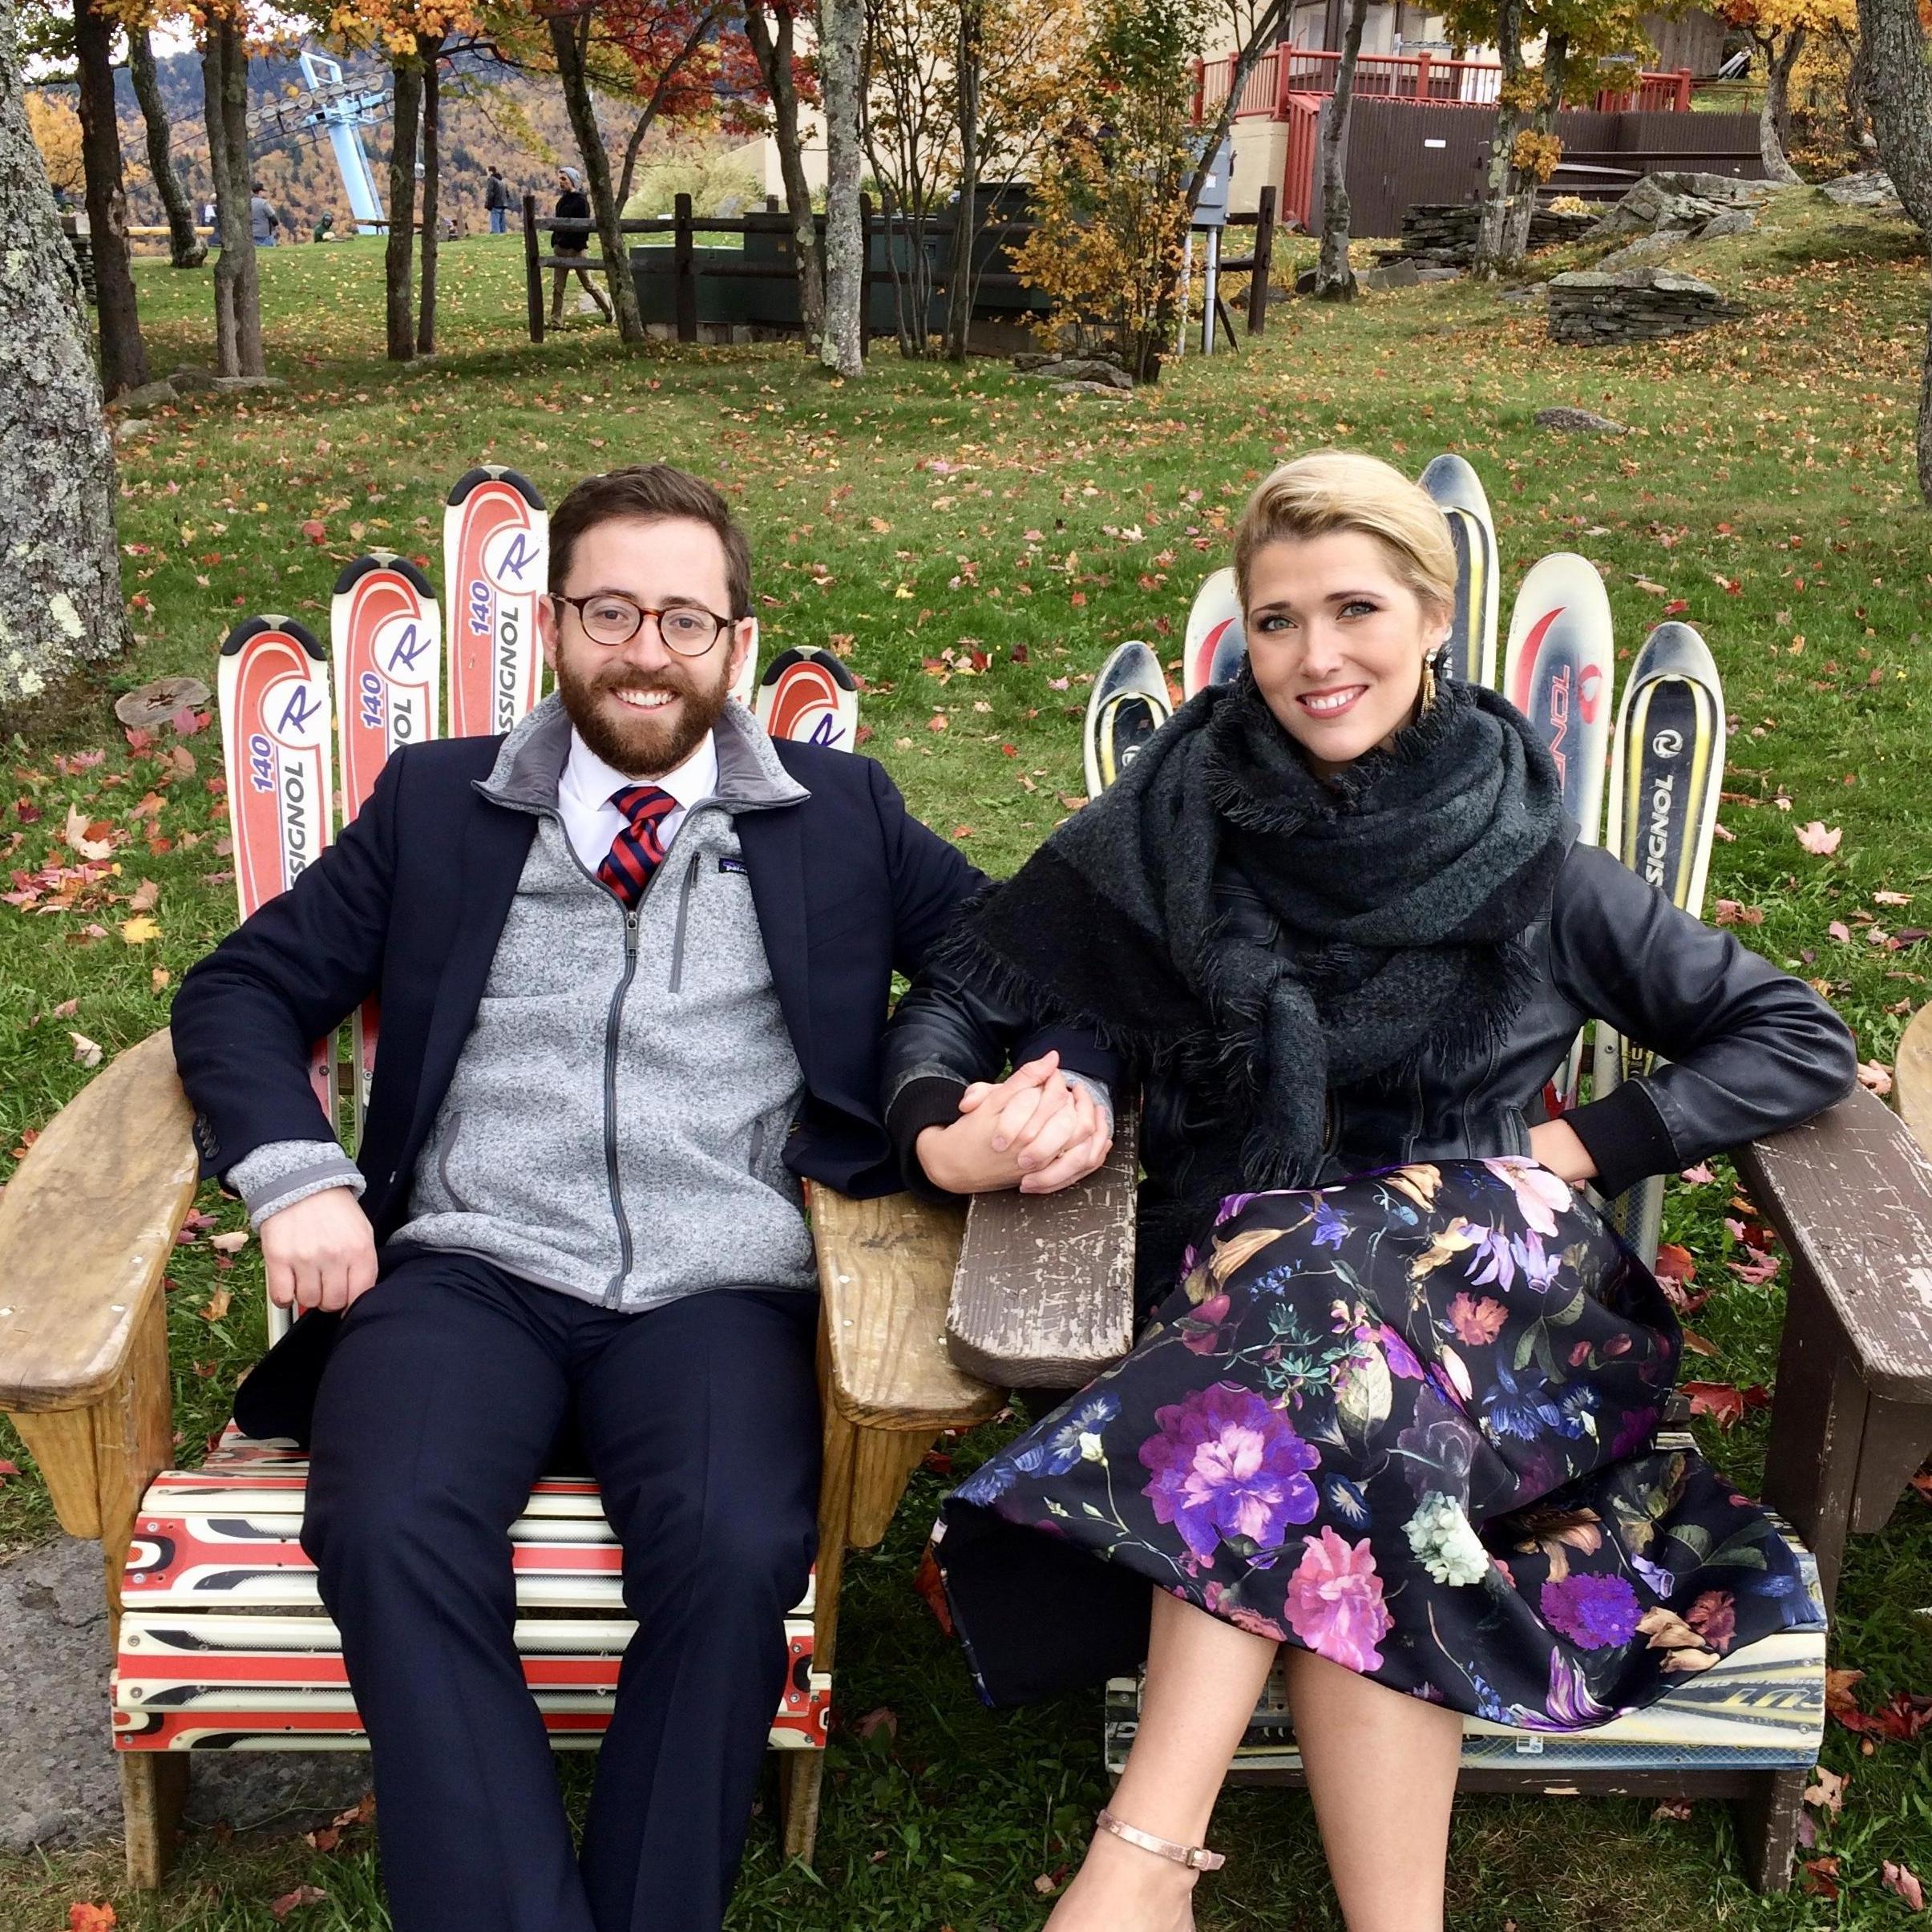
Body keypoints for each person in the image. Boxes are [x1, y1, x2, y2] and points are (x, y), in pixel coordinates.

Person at [882, 450, 1858, 1932]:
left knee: (1319, 1337)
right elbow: (959, 1001)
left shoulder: (1533, 866)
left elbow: (1797, 1036)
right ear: (1244, 641)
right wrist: (948, 1128)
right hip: (1262, 1302)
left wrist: (1568, 1152)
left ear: (1431, 617)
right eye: (1279, 621)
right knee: (1346, 1396)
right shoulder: (1165, 839)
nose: (1317, 656)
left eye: (1355, 610)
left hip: (1506, 1308)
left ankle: (1141, 1858)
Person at [170, 462, 1113, 1932]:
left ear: (738, 643)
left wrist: (1055, 1092)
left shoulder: (838, 815)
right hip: (468, 1270)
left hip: (717, 1284)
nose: (646, 651)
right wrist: (298, 1180)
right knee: (390, 1516)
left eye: (685, 619)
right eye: (611, 611)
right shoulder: (441, 804)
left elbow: (1029, 969)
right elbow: (242, 990)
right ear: (555, 625)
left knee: (737, 1546)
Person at [552, 164, 611, 324]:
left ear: (572, 181)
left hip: (577, 250)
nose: (561, 182)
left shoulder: (581, 202)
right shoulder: (561, 202)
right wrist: (556, 242)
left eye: (564, 179)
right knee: (558, 287)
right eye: (560, 179)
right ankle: (556, 321)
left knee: (589, 284)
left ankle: (608, 310)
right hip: (561, 249)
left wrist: (577, 245)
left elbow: (584, 227)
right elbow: (557, 223)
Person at [249, 180, 281, 247]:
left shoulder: (248, 202)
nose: (266, 193)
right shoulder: (264, 203)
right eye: (264, 191)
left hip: (251, 235)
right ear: (260, 192)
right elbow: (274, 220)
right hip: (264, 236)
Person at [485, 163, 512, 235]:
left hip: (495, 204)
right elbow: (507, 194)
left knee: (495, 223)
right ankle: (503, 235)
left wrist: (488, 204)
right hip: (503, 204)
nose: (487, 174)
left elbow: (489, 193)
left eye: (487, 172)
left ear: (490, 172)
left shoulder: (491, 180)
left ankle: (496, 235)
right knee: (502, 222)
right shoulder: (503, 181)